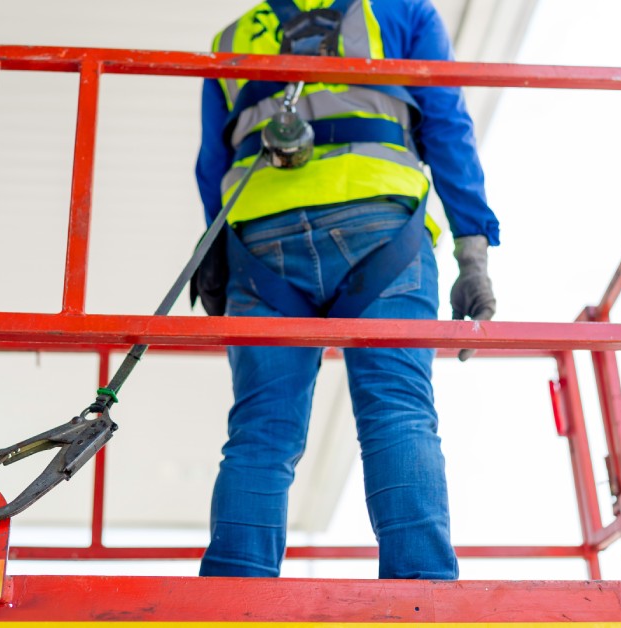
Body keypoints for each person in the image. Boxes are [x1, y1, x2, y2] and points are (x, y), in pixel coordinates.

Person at [193, 0, 499, 580]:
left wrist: (213, 253)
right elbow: (446, 122)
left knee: (260, 429)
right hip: (381, 227)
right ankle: (422, 593)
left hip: (261, 240)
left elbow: (214, 160)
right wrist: (472, 252)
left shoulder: (233, 35)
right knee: (398, 411)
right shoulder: (402, 13)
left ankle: (232, 597)